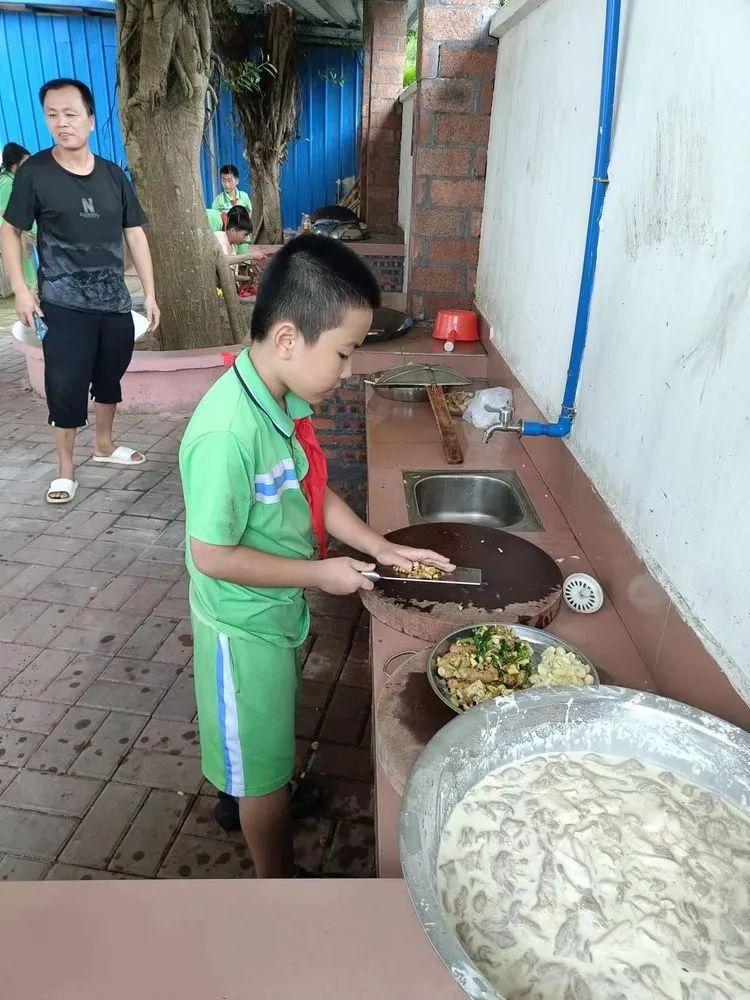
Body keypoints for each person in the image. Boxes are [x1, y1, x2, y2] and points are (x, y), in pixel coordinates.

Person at [179, 234, 454, 877]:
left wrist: (379, 545)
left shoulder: (278, 399)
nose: (349, 371)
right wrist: (319, 573)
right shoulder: (226, 433)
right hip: (240, 628)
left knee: (266, 738)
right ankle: (276, 882)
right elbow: (212, 555)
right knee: (261, 770)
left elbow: (312, 486)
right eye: (344, 353)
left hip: (273, 614)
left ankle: (255, 788)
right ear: (286, 339)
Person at [1, 78, 160, 505]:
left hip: (114, 302)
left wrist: (150, 291)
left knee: (110, 375)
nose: (61, 123)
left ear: (90, 120)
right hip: (62, 303)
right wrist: (20, 288)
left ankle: (105, 446)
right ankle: (66, 471)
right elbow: (10, 230)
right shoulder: (35, 173)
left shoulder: (112, 175)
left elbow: (136, 234)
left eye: (70, 114)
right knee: (66, 385)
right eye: (52, 115)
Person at [0, 142, 37, 290]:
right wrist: (24, 237)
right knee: (28, 276)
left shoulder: (15, 180)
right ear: (14, 164)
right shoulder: (6, 183)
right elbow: (5, 214)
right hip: (17, 236)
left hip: (23, 233)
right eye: (25, 163)